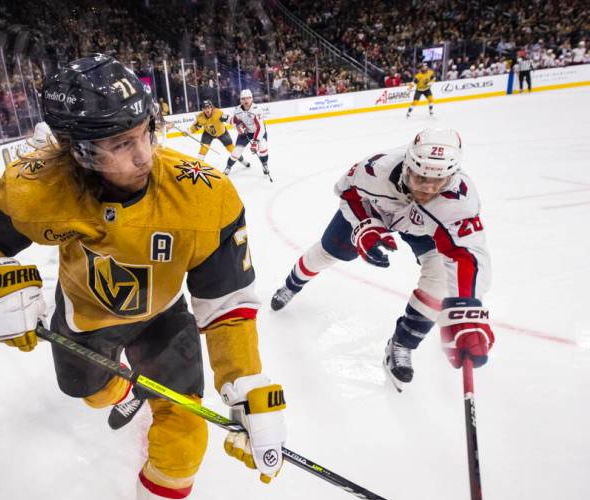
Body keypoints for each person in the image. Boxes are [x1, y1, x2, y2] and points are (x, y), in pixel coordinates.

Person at [0, 54, 287, 500]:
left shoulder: (206, 195)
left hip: (164, 317)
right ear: (77, 149)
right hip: (85, 321)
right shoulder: (37, 182)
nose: (144, 154)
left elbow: (227, 302)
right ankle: (123, 389)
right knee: (93, 393)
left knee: (185, 434)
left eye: (146, 131)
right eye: (121, 144)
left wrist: (247, 385)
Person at [270, 129, 493, 391]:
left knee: (440, 280)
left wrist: (466, 313)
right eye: (420, 177)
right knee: (329, 251)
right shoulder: (376, 169)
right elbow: (348, 193)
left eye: (439, 181)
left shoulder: (460, 198)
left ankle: (402, 343)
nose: (428, 189)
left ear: (452, 176)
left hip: (426, 228)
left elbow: (467, 255)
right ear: (408, 165)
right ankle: (292, 284)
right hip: (375, 210)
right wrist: (365, 227)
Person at [187, 99, 248, 171]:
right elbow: (196, 127)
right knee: (204, 148)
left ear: (212, 107)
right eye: (205, 108)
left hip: (222, 133)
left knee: (231, 148)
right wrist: (188, 131)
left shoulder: (218, 113)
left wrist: (237, 125)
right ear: (202, 109)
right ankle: (198, 165)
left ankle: (243, 161)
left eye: (209, 107)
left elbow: (229, 120)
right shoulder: (200, 117)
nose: (207, 110)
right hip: (208, 133)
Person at [229, 89, 271, 179]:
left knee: (263, 147)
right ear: (240, 100)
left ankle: (265, 165)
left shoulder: (257, 109)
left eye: (248, 98)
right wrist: (238, 127)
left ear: (252, 99)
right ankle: (228, 167)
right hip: (246, 133)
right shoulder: (237, 110)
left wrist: (255, 142)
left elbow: (260, 128)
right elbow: (235, 122)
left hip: (258, 132)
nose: (246, 100)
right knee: (236, 151)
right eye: (243, 99)